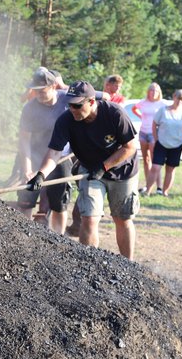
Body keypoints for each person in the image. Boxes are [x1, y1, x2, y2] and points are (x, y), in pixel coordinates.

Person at [27, 81, 140, 260]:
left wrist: (104, 167)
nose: (72, 109)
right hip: (90, 170)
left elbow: (130, 147)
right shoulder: (66, 120)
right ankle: (89, 265)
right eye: (70, 105)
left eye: (77, 105)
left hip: (122, 171)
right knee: (89, 217)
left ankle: (129, 264)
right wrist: (41, 175)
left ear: (92, 102)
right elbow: (55, 151)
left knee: (122, 218)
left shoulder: (114, 113)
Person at [16, 67, 76, 234]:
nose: (39, 94)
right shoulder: (29, 108)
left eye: (42, 90)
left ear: (53, 86)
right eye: (36, 91)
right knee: (26, 201)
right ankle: (23, 237)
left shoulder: (67, 98)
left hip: (60, 159)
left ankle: (60, 239)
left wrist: (65, 86)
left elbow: (102, 96)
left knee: (59, 203)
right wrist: (27, 169)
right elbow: (24, 141)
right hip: (35, 158)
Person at [142, 89, 182, 197]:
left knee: (170, 169)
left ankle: (164, 192)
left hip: (177, 145)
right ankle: (148, 191)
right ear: (174, 97)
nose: (179, 101)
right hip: (161, 143)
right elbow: (154, 124)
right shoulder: (163, 110)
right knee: (155, 167)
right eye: (178, 98)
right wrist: (155, 138)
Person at [132, 82, 165, 194]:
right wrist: (141, 116)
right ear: (148, 91)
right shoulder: (143, 102)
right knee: (146, 160)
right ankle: (147, 185)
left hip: (153, 133)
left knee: (155, 159)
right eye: (151, 90)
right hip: (143, 132)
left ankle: (159, 187)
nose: (153, 92)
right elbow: (134, 108)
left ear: (159, 92)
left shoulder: (161, 104)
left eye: (156, 90)